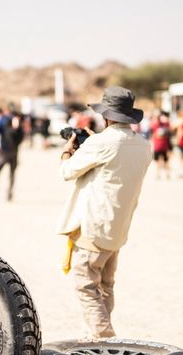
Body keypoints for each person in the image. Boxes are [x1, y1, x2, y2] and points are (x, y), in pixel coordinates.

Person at [57, 86, 152, 338]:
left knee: (86, 284)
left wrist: (68, 150)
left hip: (93, 226)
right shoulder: (143, 145)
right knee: (106, 286)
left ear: (106, 116)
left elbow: (67, 171)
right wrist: (92, 142)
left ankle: (104, 337)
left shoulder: (100, 143)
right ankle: (95, 336)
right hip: (118, 226)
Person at [0, 106, 22, 201]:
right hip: (14, 152)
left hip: (4, 152)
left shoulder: (3, 120)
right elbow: (22, 138)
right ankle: (9, 194)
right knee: (12, 174)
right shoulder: (18, 122)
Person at [149, 112, 172, 179]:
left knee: (162, 161)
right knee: (162, 162)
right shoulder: (163, 124)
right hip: (160, 146)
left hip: (161, 146)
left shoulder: (164, 124)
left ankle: (163, 174)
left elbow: (152, 134)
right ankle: (162, 174)